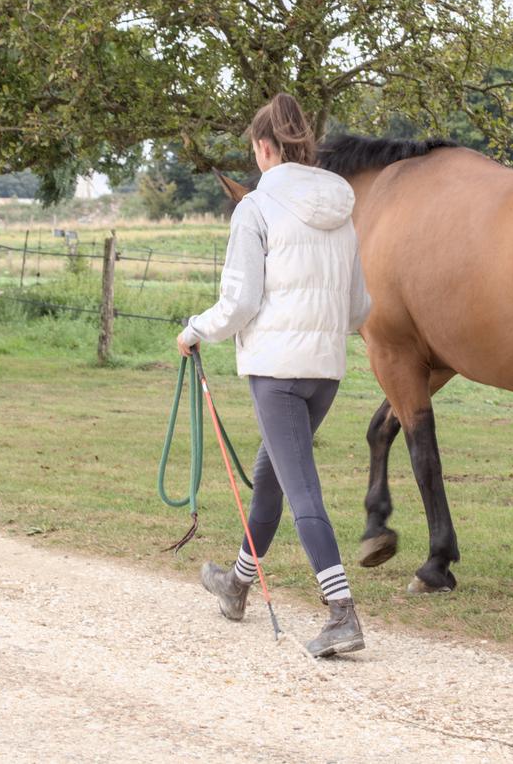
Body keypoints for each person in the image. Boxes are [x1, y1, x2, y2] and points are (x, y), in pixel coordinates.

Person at [175, 93, 372, 658]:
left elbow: (239, 303)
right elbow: (359, 309)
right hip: (324, 372)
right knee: (271, 475)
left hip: (276, 372)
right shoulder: (341, 211)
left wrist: (193, 330)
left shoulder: (255, 209)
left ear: (264, 148)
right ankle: (236, 586)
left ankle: (342, 613)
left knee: (301, 487)